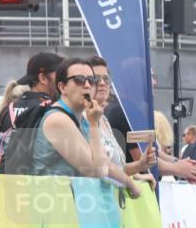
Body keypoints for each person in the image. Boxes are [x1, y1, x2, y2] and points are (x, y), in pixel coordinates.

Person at [30, 57, 142, 199]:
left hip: (69, 202)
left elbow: (105, 163)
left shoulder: (81, 118)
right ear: (62, 87)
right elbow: (97, 170)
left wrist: (134, 176)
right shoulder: (57, 120)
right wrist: (130, 184)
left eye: (92, 80)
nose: (87, 85)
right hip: (52, 203)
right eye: (79, 79)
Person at [87, 56, 155, 177]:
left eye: (106, 78)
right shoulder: (81, 118)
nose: (102, 83)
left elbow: (116, 166)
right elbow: (100, 169)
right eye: (95, 78)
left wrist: (140, 166)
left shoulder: (103, 118)